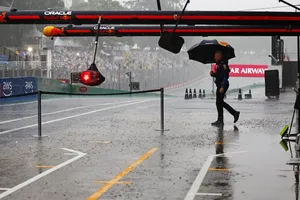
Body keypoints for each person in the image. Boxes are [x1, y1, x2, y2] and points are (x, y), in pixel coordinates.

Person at [210, 51, 240, 127]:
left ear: (220, 56)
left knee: (219, 102)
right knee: (219, 102)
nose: (215, 58)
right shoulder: (219, 64)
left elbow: (225, 76)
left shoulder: (223, 65)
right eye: (215, 56)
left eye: (216, 56)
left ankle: (230, 115)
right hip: (220, 85)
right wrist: (213, 74)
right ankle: (221, 119)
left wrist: (223, 86)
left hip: (223, 85)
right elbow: (219, 75)